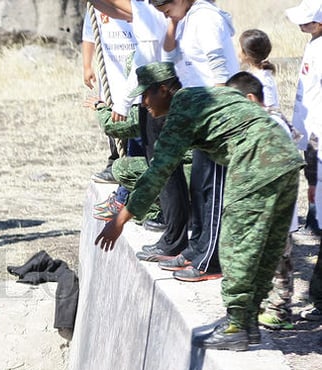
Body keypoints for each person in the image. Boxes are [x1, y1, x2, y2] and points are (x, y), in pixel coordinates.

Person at [95, 62, 304, 351]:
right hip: (286, 157)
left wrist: (119, 221)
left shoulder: (181, 113)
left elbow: (157, 173)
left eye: (147, 95)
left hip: (257, 158)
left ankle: (235, 325)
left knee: (235, 245)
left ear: (165, 90)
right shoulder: (207, 96)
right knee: (266, 247)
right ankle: (246, 323)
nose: (143, 103)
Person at [85, 0, 190, 260]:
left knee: (164, 171)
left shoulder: (158, 10)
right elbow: (117, 10)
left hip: (167, 96)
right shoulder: (146, 8)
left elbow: (146, 59)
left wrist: (119, 102)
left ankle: (177, 235)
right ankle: (173, 234)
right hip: (158, 93)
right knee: (161, 169)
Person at [150, 0, 239, 282]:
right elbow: (168, 56)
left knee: (212, 192)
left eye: (165, 9)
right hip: (200, 116)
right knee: (198, 188)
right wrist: (173, 22)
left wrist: (218, 118)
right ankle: (196, 248)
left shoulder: (206, 19)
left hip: (216, 116)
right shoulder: (187, 18)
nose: (163, 14)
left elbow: (220, 71)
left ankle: (210, 261)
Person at [226, 71, 301, 331]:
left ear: (249, 98)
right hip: (263, 213)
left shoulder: (272, 125)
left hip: (277, 212)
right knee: (263, 261)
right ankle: (259, 306)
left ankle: (280, 311)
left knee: (281, 263)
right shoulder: (259, 123)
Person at [81, 8, 138, 184]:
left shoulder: (137, 5)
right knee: (111, 111)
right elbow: (90, 34)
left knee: (135, 114)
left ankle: (132, 161)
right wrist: (87, 66)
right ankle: (115, 160)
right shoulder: (97, 7)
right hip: (112, 70)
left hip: (135, 67)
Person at [286, 0, 322, 236]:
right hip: (309, 122)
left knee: (317, 173)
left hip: (318, 123)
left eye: (305, 21)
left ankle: (316, 219)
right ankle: (313, 214)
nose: (300, 24)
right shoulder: (314, 43)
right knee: (310, 171)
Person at [238, 29, 280, 109]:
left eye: (240, 47)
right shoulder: (253, 73)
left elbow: (270, 108)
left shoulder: (263, 79)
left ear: (247, 54)